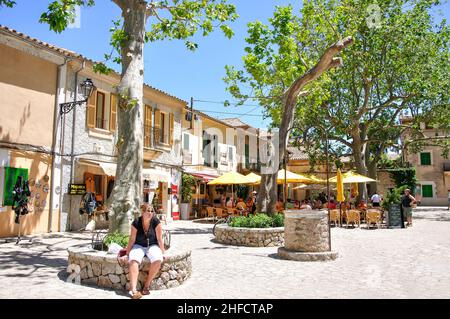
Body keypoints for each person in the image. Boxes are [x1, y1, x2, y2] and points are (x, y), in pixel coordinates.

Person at [120, 203, 165, 299]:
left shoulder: (156, 221)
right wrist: (127, 254)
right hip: (138, 245)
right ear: (143, 212)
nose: (150, 213)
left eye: (151, 211)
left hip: (152, 245)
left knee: (158, 259)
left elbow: (160, 238)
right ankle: (133, 290)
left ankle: (146, 285)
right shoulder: (136, 222)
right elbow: (132, 239)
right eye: (148, 211)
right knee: (133, 260)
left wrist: (162, 252)